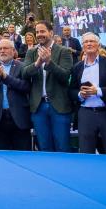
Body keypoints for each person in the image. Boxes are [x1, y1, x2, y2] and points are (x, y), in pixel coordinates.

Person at [21, 21, 74, 152]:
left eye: (42, 31)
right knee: (44, 147)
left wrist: (49, 62)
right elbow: (24, 73)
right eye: (37, 32)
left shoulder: (64, 51)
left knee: (62, 146)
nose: (39, 34)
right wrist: (38, 62)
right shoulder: (31, 52)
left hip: (59, 106)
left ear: (51, 33)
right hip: (39, 107)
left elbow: (65, 75)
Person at [69, 33, 106, 155]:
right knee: (86, 152)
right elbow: (71, 90)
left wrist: (98, 91)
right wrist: (80, 94)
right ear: (83, 46)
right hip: (85, 114)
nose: (89, 44)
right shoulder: (77, 67)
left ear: (98, 45)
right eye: (86, 42)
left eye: (92, 41)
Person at [0, 38, 32, 150]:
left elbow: (26, 86)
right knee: (3, 154)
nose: (2, 51)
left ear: (13, 51)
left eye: (5, 48)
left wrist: (5, 77)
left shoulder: (22, 66)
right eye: (0, 49)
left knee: (23, 153)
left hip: (19, 117)